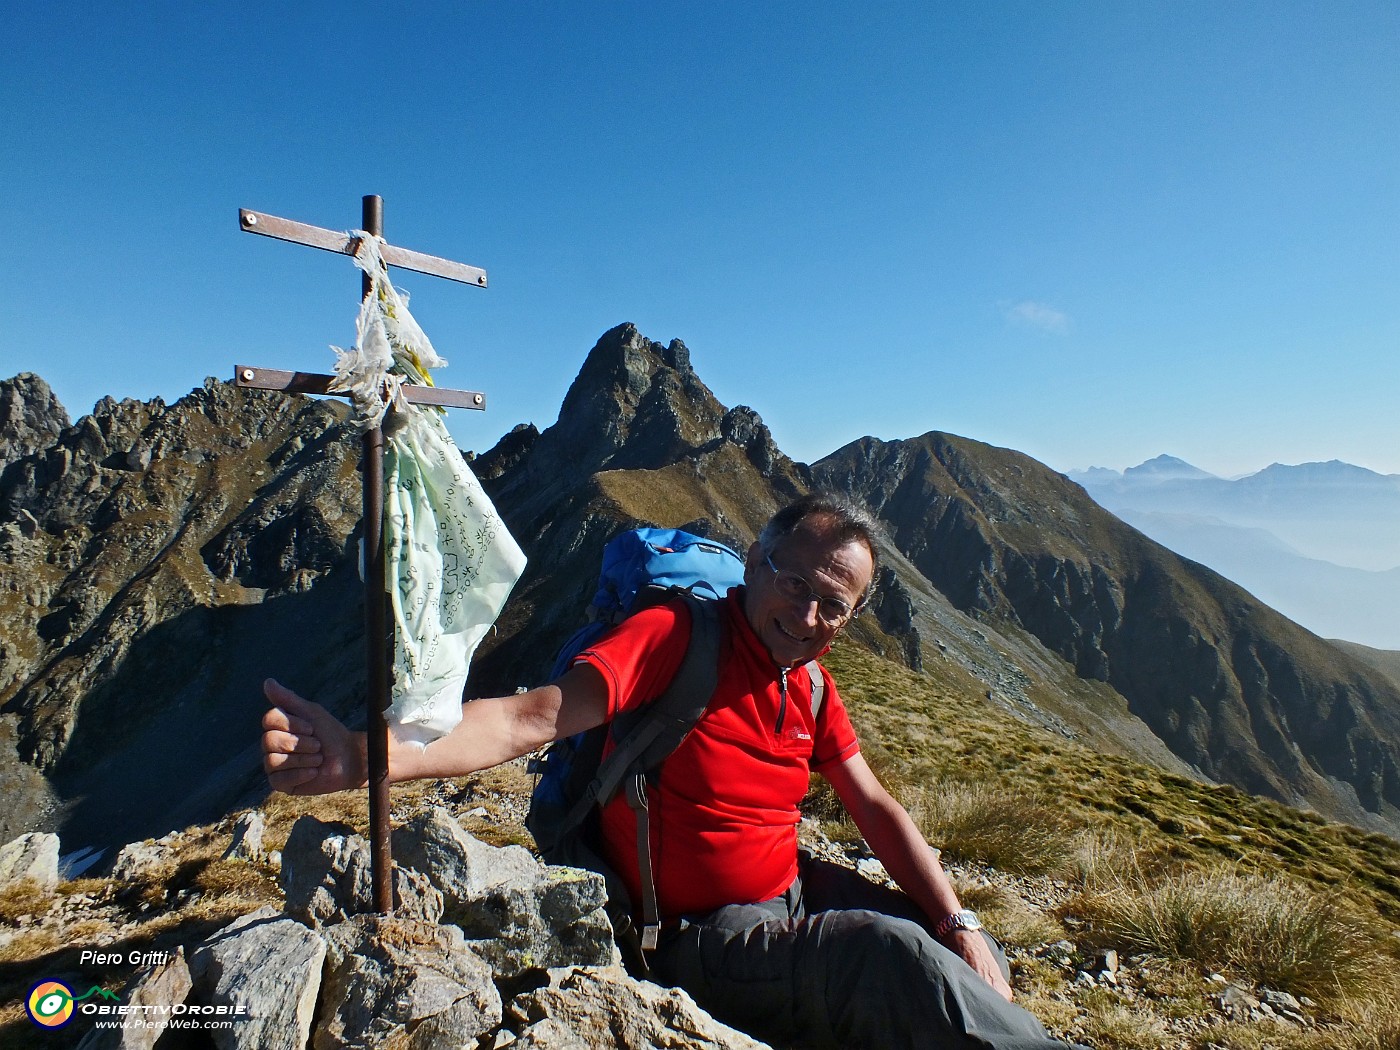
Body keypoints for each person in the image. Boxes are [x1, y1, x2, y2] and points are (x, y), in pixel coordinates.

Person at [263, 493, 1082, 1049]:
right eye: (795, 584)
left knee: (942, 942)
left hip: (785, 891)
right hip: (699, 937)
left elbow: (870, 801)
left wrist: (961, 923)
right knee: (888, 957)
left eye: (832, 606)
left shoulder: (811, 682)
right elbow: (526, 718)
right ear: (755, 562)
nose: (806, 617)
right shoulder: (674, 638)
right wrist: (361, 758)